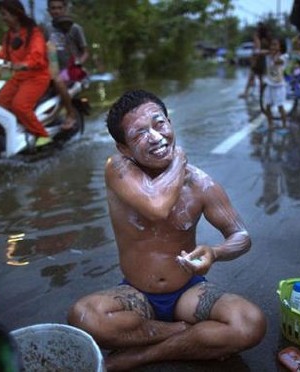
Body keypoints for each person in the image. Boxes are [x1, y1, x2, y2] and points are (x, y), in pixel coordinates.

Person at [68, 90, 267, 370]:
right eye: (139, 134)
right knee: (84, 316)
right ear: (124, 149)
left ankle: (142, 355)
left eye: (159, 124)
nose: (156, 137)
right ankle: (182, 335)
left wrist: (215, 252)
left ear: (170, 123)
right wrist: (178, 159)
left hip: (187, 292)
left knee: (250, 323)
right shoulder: (118, 169)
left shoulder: (200, 183)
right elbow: (157, 205)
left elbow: (241, 236)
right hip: (137, 294)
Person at [0, 0, 51, 147]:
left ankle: (42, 135)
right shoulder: (9, 35)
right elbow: (3, 55)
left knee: (20, 105)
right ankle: (19, 129)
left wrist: (24, 64)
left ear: (15, 15)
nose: (3, 17)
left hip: (37, 77)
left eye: (4, 14)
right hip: (18, 77)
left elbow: (37, 56)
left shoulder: (34, 33)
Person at [44, 0, 89, 130]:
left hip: (70, 71)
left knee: (58, 81)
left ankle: (70, 113)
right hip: (52, 70)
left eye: (59, 8)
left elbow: (85, 52)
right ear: (49, 11)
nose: (56, 11)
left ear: (65, 9)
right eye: (53, 8)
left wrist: (78, 62)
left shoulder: (75, 28)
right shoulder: (47, 29)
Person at [239, 23, 271, 99]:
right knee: (260, 78)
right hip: (263, 60)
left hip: (257, 60)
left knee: (251, 76)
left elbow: (256, 51)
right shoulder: (267, 40)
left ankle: (246, 93)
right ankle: (261, 94)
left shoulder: (258, 39)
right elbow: (268, 51)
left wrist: (253, 60)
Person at [264, 38, 288, 128]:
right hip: (269, 85)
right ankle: (270, 125)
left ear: (280, 47)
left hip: (279, 86)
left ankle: (284, 125)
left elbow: (277, 61)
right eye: (272, 45)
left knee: (280, 107)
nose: (273, 47)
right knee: (267, 106)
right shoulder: (268, 57)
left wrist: (273, 53)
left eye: (275, 45)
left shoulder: (284, 57)